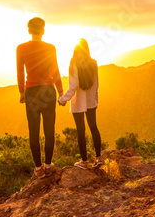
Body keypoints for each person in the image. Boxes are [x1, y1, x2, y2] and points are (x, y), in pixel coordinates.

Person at [16, 17, 63, 176]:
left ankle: (38, 169)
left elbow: (20, 73)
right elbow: (55, 71)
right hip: (48, 91)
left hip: (32, 92)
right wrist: (61, 91)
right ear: (43, 30)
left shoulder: (21, 48)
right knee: (49, 129)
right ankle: (48, 165)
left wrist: (22, 92)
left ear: (29, 30)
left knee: (33, 130)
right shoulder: (50, 48)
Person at [58, 38, 102, 168]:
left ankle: (84, 161)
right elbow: (96, 84)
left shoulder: (74, 64)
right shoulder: (93, 63)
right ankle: (98, 158)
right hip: (90, 101)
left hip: (78, 102)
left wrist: (62, 99)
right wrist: (96, 99)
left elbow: (72, 87)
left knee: (81, 131)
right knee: (94, 128)